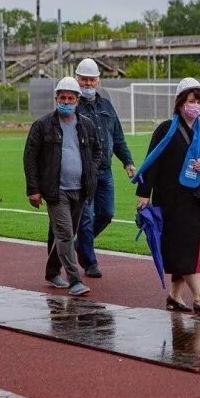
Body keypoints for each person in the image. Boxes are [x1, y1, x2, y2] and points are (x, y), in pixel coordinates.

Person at [134, 78, 200, 314]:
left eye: (199, 101)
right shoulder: (166, 129)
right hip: (171, 199)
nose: (195, 106)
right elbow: (152, 162)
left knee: (187, 246)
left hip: (196, 199)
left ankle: (175, 296)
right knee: (186, 246)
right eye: (191, 101)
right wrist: (144, 194)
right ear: (180, 104)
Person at [23, 77, 101, 297]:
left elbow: (97, 151)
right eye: (62, 98)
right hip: (55, 191)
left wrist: (92, 171)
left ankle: (51, 272)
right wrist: (33, 189)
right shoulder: (42, 125)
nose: (66, 101)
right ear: (56, 99)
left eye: (70, 98)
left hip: (81, 189)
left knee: (66, 233)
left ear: (77, 101)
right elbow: (30, 158)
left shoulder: (86, 125)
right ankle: (74, 279)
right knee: (66, 234)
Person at [73, 58, 136, 279]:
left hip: (105, 170)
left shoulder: (106, 106)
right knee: (86, 217)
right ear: (77, 79)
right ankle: (90, 262)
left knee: (107, 214)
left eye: (91, 79)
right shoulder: (73, 105)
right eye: (84, 79)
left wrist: (127, 162)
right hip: (83, 171)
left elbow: (117, 137)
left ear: (98, 81)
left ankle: (80, 244)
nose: (88, 83)